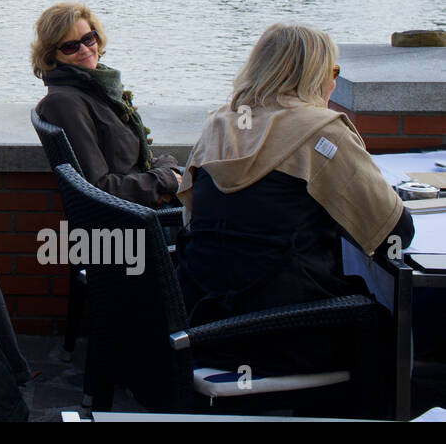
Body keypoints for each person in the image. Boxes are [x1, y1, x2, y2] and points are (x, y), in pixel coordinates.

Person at [176, 23, 412, 371]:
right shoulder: (321, 132)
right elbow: (395, 233)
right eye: (333, 71)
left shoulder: (219, 126)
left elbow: (193, 219)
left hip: (204, 319)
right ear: (315, 75)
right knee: (389, 324)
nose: (334, 82)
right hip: (291, 329)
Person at [31, 3, 181, 206]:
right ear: (52, 55)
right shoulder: (65, 104)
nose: (84, 49)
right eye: (70, 46)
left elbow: (132, 162)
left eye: (88, 39)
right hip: (137, 218)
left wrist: (167, 169)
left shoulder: (98, 90)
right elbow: (99, 187)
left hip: (145, 203)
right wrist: (164, 181)